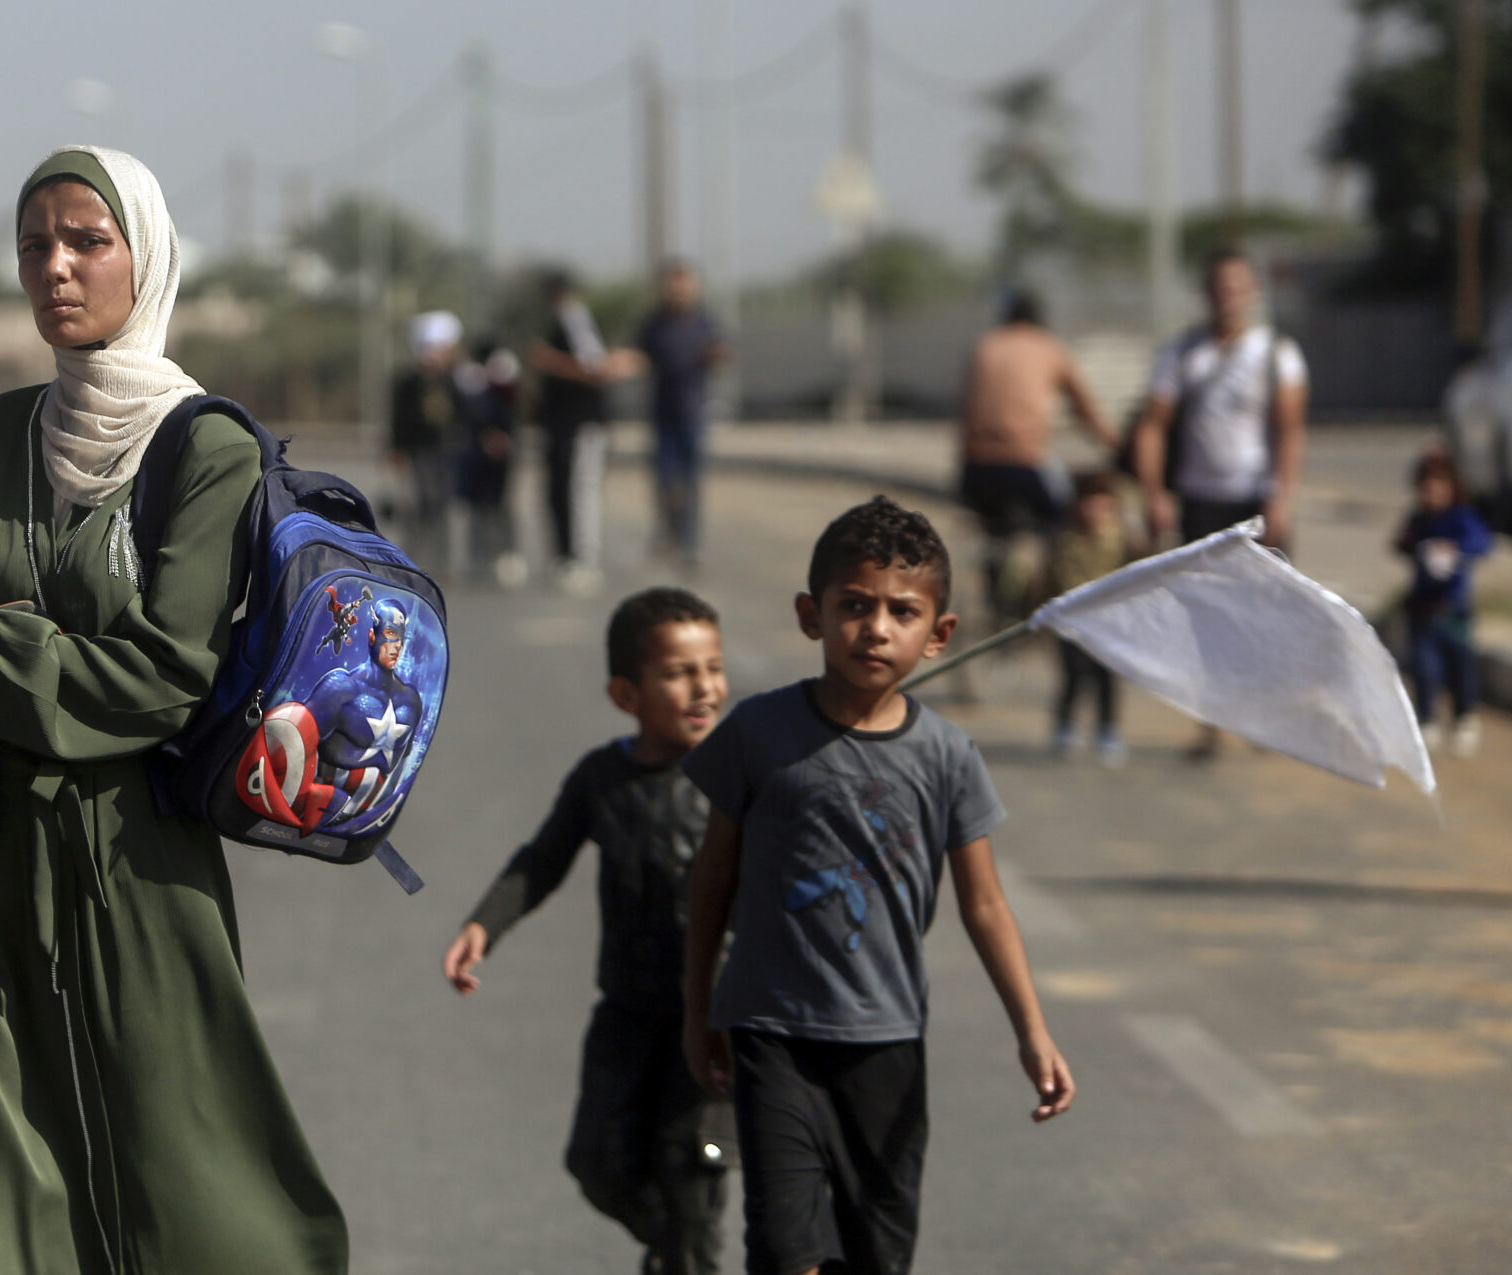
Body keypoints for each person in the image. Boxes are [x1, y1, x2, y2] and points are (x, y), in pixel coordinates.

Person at [0, 145, 347, 1273]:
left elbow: (163, 676)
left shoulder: (202, 450)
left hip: (138, 863)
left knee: (191, 1196)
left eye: (87, 241)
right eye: (35, 246)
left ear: (146, 255)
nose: (56, 270)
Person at [682, 497, 1073, 1275]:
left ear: (940, 633)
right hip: (771, 1032)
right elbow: (712, 880)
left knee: (876, 1256)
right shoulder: (758, 734)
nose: (877, 627)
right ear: (811, 615)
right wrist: (699, 1008)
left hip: (886, 1042)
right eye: (854, 606)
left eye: (903, 611)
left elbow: (985, 904)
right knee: (784, 1247)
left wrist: (1032, 1029)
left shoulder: (948, 756)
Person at [441, 587, 737, 1275]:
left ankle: (688, 1258)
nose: (703, 687)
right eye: (678, 672)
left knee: (691, 1172)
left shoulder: (741, 778)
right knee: (596, 1160)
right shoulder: (601, 779)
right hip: (629, 1012)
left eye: (713, 667)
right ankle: (676, 1255)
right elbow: (542, 859)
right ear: (625, 693)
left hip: (716, 1020)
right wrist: (485, 921)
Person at [1131, 249, 1308, 757]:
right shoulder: (1183, 353)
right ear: (1206, 293)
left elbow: (1289, 430)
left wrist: (1283, 498)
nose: (1227, 294)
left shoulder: (1277, 353)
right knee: (1206, 617)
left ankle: (1265, 719)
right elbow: (1153, 425)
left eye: (1237, 285)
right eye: (1218, 285)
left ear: (1251, 291)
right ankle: (1215, 724)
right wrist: (1153, 493)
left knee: (1267, 613)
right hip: (1200, 500)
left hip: (1255, 498)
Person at [955, 290, 1117, 627]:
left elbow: (966, 411)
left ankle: (997, 592)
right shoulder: (1048, 348)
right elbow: (1084, 407)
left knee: (994, 530)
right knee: (1064, 517)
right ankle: (1048, 593)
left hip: (975, 470)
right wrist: (1114, 444)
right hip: (1023, 465)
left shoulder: (984, 347)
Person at [1395, 446, 1495, 759]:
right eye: (1427, 485)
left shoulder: (1462, 518)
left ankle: (1464, 717)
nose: (1433, 491)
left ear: (1453, 486)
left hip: (1454, 612)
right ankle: (1427, 719)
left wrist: (1455, 551)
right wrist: (1421, 549)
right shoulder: (1418, 519)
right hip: (1421, 611)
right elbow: (1401, 542)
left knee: (1461, 669)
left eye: (1440, 483)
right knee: (1425, 669)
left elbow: (1482, 543)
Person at [529, 269, 621, 591]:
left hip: (582, 423)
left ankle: (584, 560)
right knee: (561, 491)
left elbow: (594, 368)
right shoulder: (563, 319)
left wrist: (550, 361)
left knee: (581, 492)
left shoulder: (575, 318)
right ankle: (568, 557)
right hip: (563, 424)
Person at [637, 261, 730, 569]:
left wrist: (715, 356)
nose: (677, 293)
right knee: (665, 480)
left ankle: (691, 543)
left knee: (691, 482)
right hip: (663, 414)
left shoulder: (705, 322)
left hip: (693, 413)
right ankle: (669, 530)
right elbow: (638, 356)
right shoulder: (655, 324)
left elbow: (722, 354)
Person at [1047, 470, 1128, 766]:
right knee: (1073, 675)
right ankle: (1065, 726)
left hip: (1109, 623)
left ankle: (1108, 730)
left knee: (1106, 679)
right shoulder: (1063, 537)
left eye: (1102, 504)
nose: (1095, 511)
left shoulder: (1122, 538)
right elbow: (1050, 577)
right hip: (1071, 622)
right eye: (1089, 503)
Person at [388, 309, 465, 575]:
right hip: (418, 450)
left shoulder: (450, 380)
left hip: (444, 449)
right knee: (422, 502)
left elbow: (461, 413)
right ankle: (412, 559)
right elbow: (398, 418)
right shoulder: (409, 382)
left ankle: (444, 562)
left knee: (442, 504)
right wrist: (395, 448)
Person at [455, 337, 524, 585]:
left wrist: (500, 438)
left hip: (499, 455)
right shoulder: (470, 381)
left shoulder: (504, 380)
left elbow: (510, 414)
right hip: (476, 456)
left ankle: (505, 557)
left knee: (500, 506)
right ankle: (480, 560)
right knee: (479, 508)